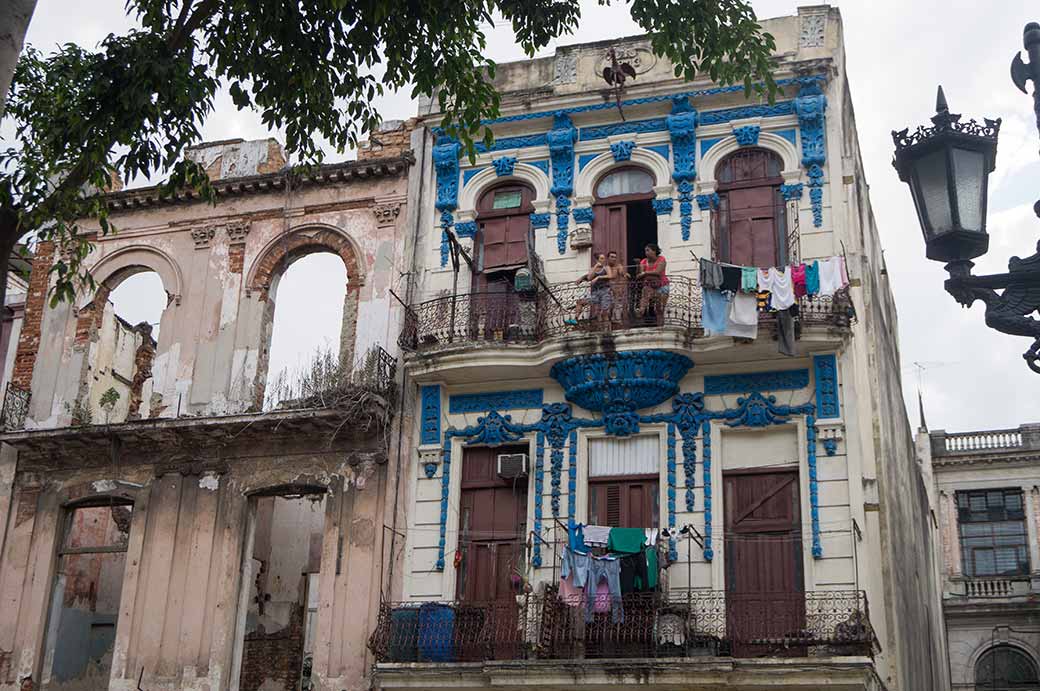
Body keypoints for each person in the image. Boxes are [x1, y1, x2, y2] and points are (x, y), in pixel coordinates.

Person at [565, 253, 612, 326]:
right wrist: (595, 266)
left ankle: (607, 331)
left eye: (604, 258)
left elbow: (610, 275)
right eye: (601, 258)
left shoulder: (606, 267)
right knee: (580, 302)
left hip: (605, 292)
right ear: (597, 260)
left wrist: (598, 277)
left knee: (604, 313)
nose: (603, 260)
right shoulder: (592, 269)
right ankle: (575, 319)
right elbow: (589, 278)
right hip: (595, 293)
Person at [636, 243, 669, 325]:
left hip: (662, 286)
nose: (646, 252)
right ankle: (640, 311)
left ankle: (660, 327)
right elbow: (640, 274)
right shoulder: (643, 261)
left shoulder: (661, 259)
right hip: (649, 286)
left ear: (654, 251)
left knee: (659, 309)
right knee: (645, 295)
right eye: (645, 251)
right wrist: (642, 272)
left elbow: (658, 272)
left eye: (648, 250)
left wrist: (645, 273)